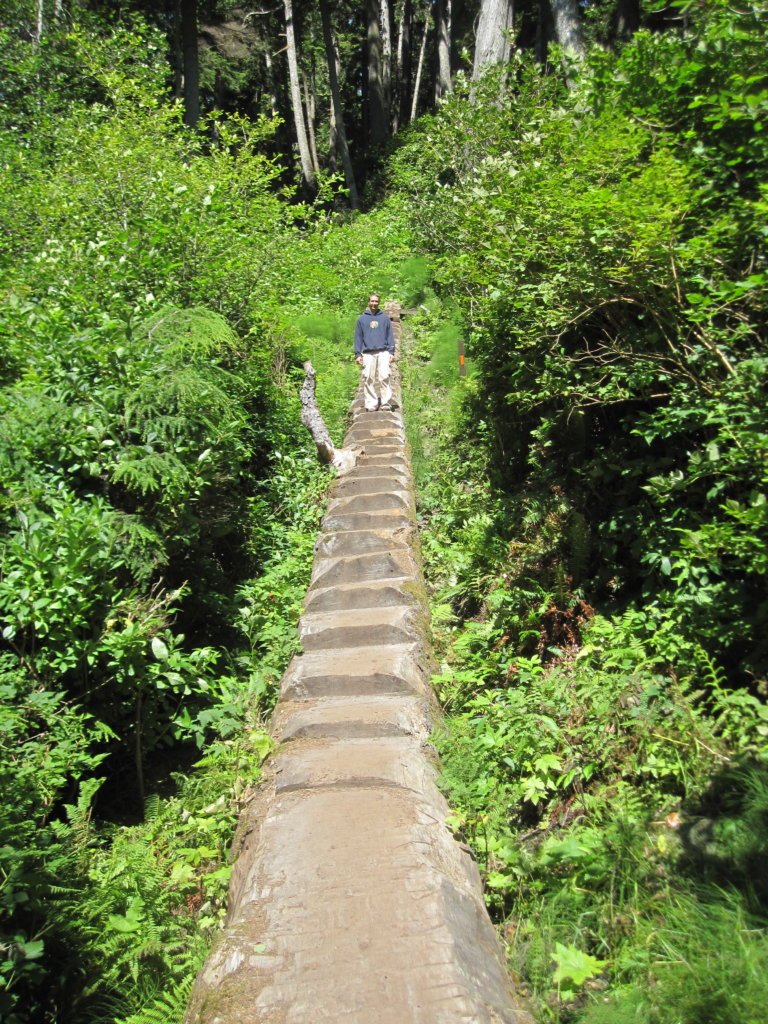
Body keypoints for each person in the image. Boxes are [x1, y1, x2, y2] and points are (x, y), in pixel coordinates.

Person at [354, 292, 398, 411]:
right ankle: (371, 403)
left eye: (376, 301)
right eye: (372, 301)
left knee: (384, 377)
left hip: (383, 352)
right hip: (368, 353)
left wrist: (391, 352)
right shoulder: (362, 319)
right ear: (368, 302)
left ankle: (385, 403)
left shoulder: (384, 318)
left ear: (379, 303)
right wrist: (358, 354)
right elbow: (358, 337)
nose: (374, 303)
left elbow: (390, 336)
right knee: (368, 378)